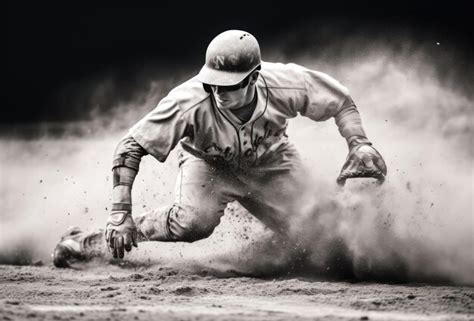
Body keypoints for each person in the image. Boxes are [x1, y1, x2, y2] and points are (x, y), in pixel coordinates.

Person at [52, 29, 386, 267]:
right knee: (192, 223)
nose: (217, 91)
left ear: (254, 77)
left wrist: (360, 144)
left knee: (321, 240)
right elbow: (130, 147)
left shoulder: (286, 82)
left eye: (227, 85)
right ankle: (85, 243)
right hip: (208, 165)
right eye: (212, 82)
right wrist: (119, 213)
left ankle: (271, 254)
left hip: (273, 160)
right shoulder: (189, 101)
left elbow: (341, 100)